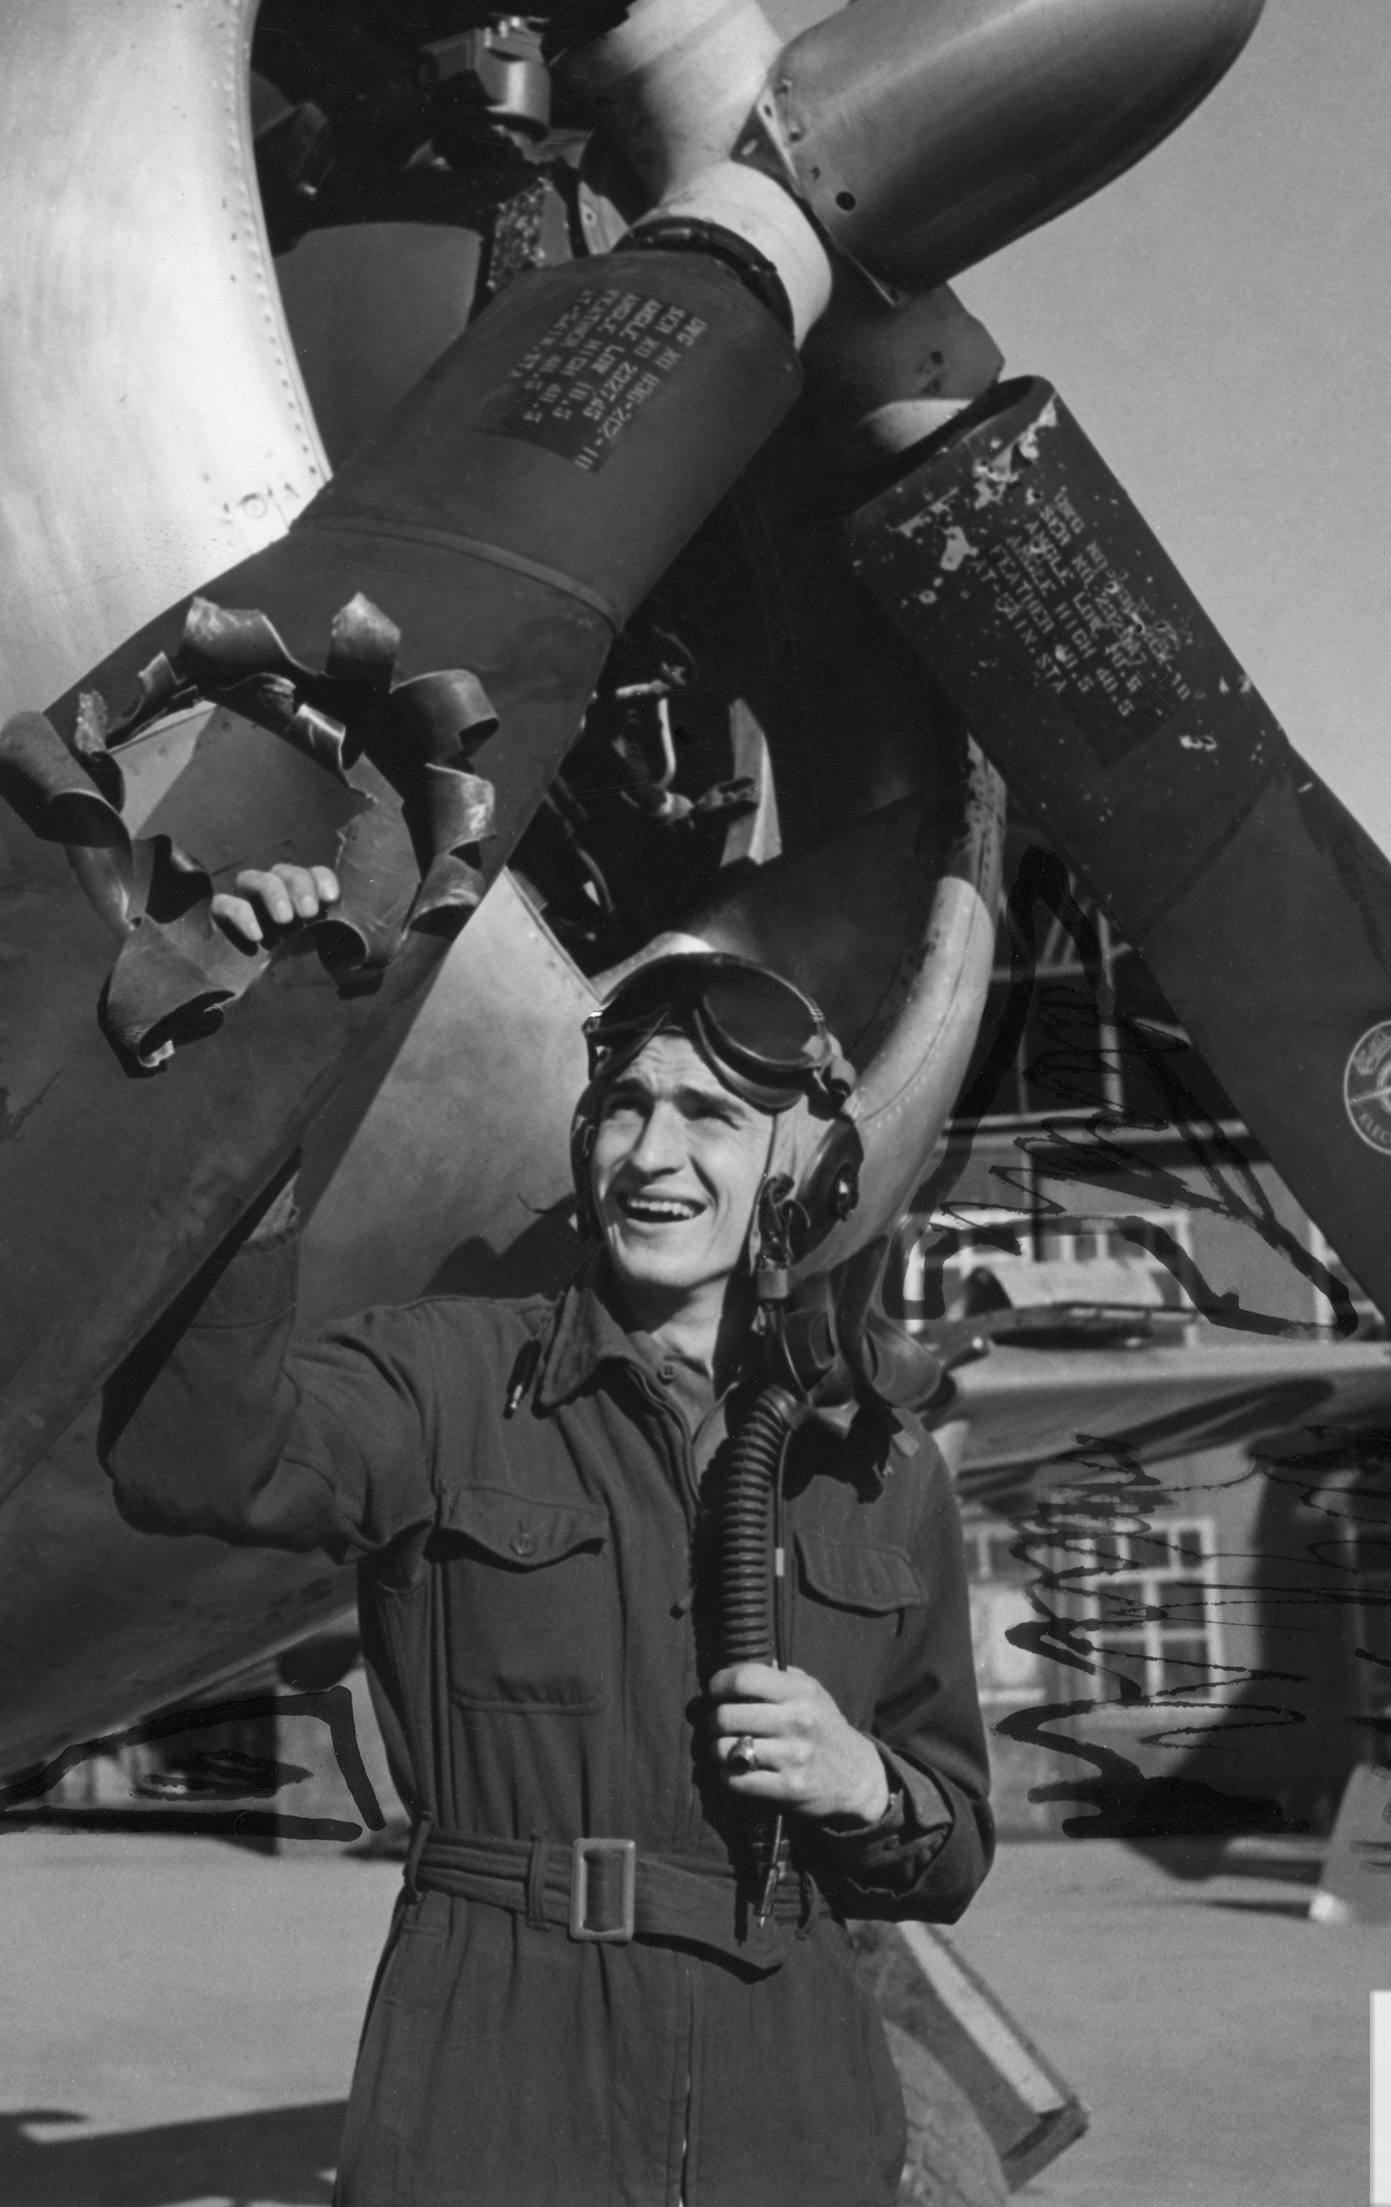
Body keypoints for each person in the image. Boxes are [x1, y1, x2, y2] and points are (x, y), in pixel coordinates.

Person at [103, 864, 992, 2207]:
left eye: (707, 1116)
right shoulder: (445, 1381)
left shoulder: (879, 1469)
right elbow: (193, 1462)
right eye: (622, 1109)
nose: (650, 1155)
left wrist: (866, 1783)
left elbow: (957, 1840)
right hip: (495, 2082)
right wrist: (258, 1084)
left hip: (791, 2101)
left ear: (802, 1171)